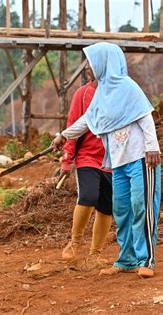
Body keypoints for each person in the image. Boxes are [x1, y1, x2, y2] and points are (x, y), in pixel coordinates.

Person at [53, 42, 161, 278]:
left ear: (105, 63)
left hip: (141, 159)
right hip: (118, 162)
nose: (89, 68)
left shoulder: (128, 88)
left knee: (141, 207)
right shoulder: (102, 93)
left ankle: (147, 259)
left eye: (92, 63)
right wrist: (63, 136)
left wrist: (152, 148)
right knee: (121, 209)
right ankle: (127, 259)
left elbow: (145, 116)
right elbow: (86, 120)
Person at [60, 63, 113, 265]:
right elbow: (73, 126)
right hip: (87, 157)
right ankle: (75, 242)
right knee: (89, 195)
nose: (88, 69)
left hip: (112, 159)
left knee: (107, 207)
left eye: (92, 64)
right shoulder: (82, 94)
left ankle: (96, 253)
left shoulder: (117, 94)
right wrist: (67, 159)